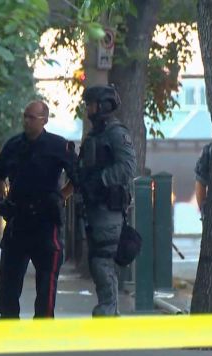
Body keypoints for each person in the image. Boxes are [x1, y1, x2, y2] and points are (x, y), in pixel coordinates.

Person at [0, 100, 75, 319]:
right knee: (9, 278)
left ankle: (43, 325)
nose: (27, 121)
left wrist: (60, 197)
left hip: (46, 221)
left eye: (32, 117)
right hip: (18, 219)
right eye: (25, 116)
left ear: (44, 120)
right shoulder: (13, 145)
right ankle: (8, 323)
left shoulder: (58, 146)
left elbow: (78, 178)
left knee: (47, 279)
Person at [76, 85, 136, 317]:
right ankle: (107, 307)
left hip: (108, 206)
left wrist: (99, 180)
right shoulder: (96, 134)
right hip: (94, 205)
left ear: (103, 105)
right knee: (97, 258)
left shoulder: (115, 133)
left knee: (102, 258)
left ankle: (108, 308)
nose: (88, 109)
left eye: (90, 104)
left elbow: (127, 167)